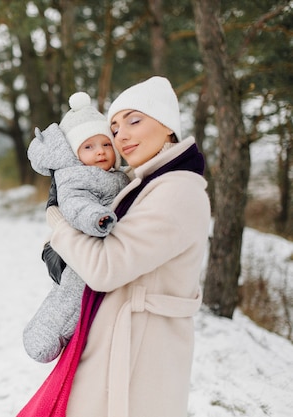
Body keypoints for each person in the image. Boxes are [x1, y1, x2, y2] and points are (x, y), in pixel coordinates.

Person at [18, 76, 210, 417]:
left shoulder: (176, 191)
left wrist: (59, 225)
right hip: (118, 338)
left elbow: (106, 269)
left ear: (168, 126)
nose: (122, 135)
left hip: (142, 350)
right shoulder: (143, 182)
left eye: (134, 120)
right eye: (116, 127)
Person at [23, 92, 129, 363]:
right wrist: (97, 218)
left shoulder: (117, 175)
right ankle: (46, 333)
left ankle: (71, 335)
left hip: (97, 246)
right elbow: (76, 205)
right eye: (89, 147)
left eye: (106, 144)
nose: (100, 152)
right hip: (82, 240)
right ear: (76, 153)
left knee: (83, 298)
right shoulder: (74, 177)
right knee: (72, 293)